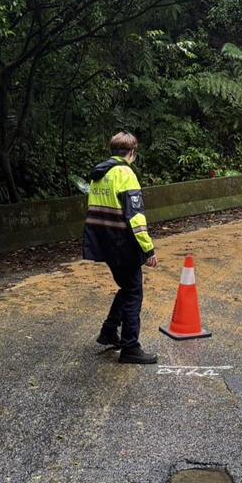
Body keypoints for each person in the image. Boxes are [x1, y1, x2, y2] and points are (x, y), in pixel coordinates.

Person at [82, 131, 159, 364]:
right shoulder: (125, 174)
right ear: (132, 153)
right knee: (134, 291)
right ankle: (130, 348)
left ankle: (109, 331)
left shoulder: (99, 174)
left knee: (127, 287)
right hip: (122, 244)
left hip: (103, 241)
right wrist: (149, 250)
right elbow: (135, 217)